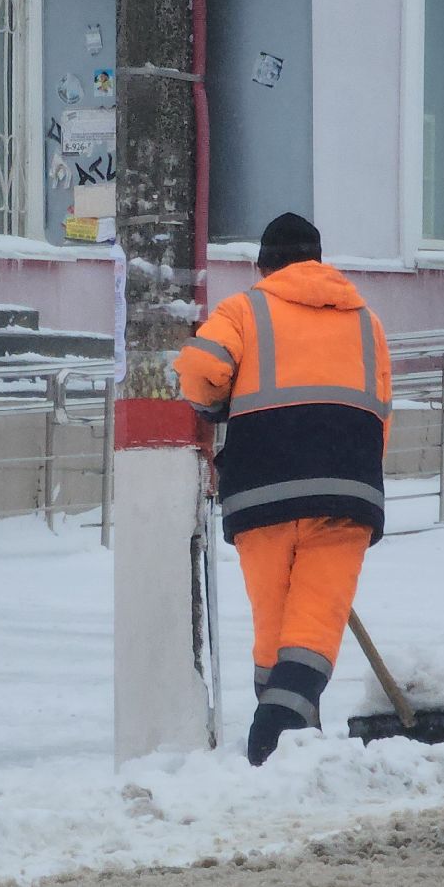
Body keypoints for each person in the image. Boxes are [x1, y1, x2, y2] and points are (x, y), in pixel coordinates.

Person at [172, 213, 392, 766]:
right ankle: (283, 732)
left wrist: (213, 405)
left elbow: (200, 367)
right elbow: (380, 408)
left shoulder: (244, 310)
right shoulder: (367, 321)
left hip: (262, 490)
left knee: (274, 622)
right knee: (314, 619)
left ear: (262, 266)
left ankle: (282, 736)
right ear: (319, 260)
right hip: (344, 488)